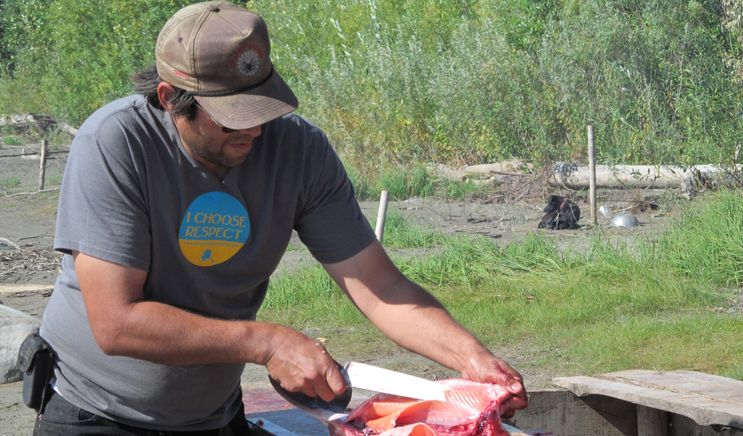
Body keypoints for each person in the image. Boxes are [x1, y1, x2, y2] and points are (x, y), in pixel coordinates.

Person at [33, 1, 527, 434]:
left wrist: (471, 358)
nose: (254, 130)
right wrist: (266, 343)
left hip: (209, 416)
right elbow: (116, 323)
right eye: (232, 115)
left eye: (262, 108)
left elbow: (380, 288)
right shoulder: (116, 144)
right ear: (170, 99)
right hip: (95, 412)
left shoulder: (299, 151)